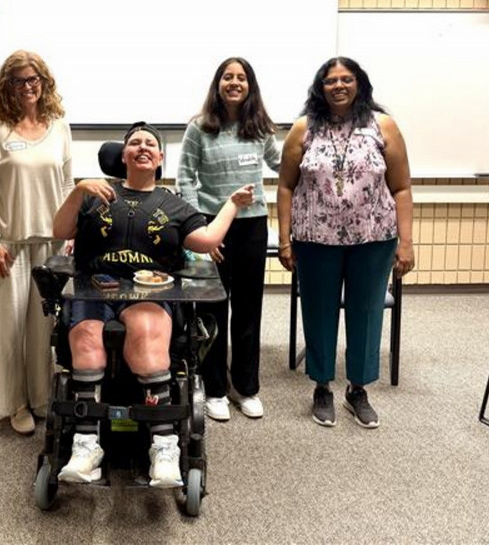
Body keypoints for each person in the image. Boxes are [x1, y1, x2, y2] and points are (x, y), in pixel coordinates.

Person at [52, 122, 254, 487]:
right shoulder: (95, 193)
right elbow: (60, 230)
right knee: (85, 336)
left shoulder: (174, 205)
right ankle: (86, 445)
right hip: (94, 289)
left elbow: (207, 241)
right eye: (134, 143)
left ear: (160, 158)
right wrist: (78, 190)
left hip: (149, 293)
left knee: (146, 331)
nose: (142, 148)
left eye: (150, 144)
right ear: (123, 154)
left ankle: (164, 444)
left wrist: (232, 205)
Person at [276, 56, 414, 429]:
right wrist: (284, 240)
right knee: (318, 311)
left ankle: (358, 389)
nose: (339, 85)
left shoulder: (382, 126)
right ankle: (322, 387)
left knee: (366, 312)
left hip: (373, 238)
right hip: (314, 238)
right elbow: (286, 186)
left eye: (346, 79)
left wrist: (407, 243)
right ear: (320, 87)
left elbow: (401, 187)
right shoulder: (304, 128)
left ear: (359, 84)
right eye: (330, 80)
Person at [0, 50, 73, 435]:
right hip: (9, 245)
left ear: (44, 83)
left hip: (50, 243)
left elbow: (67, 185)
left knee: (43, 325)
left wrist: (70, 235)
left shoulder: (60, 127)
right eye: (19, 81)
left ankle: (41, 398)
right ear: (7, 86)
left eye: (34, 80)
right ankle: (16, 403)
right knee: (11, 328)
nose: (28, 87)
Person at [177, 57, 280, 422]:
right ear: (217, 84)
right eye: (227, 77)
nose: (234, 83)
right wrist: (201, 233)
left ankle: (247, 388)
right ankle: (215, 388)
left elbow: (283, 165)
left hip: (252, 226)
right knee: (213, 309)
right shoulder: (200, 128)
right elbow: (186, 179)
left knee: (249, 308)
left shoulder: (261, 128)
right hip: (212, 224)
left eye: (241, 78)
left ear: (250, 85)